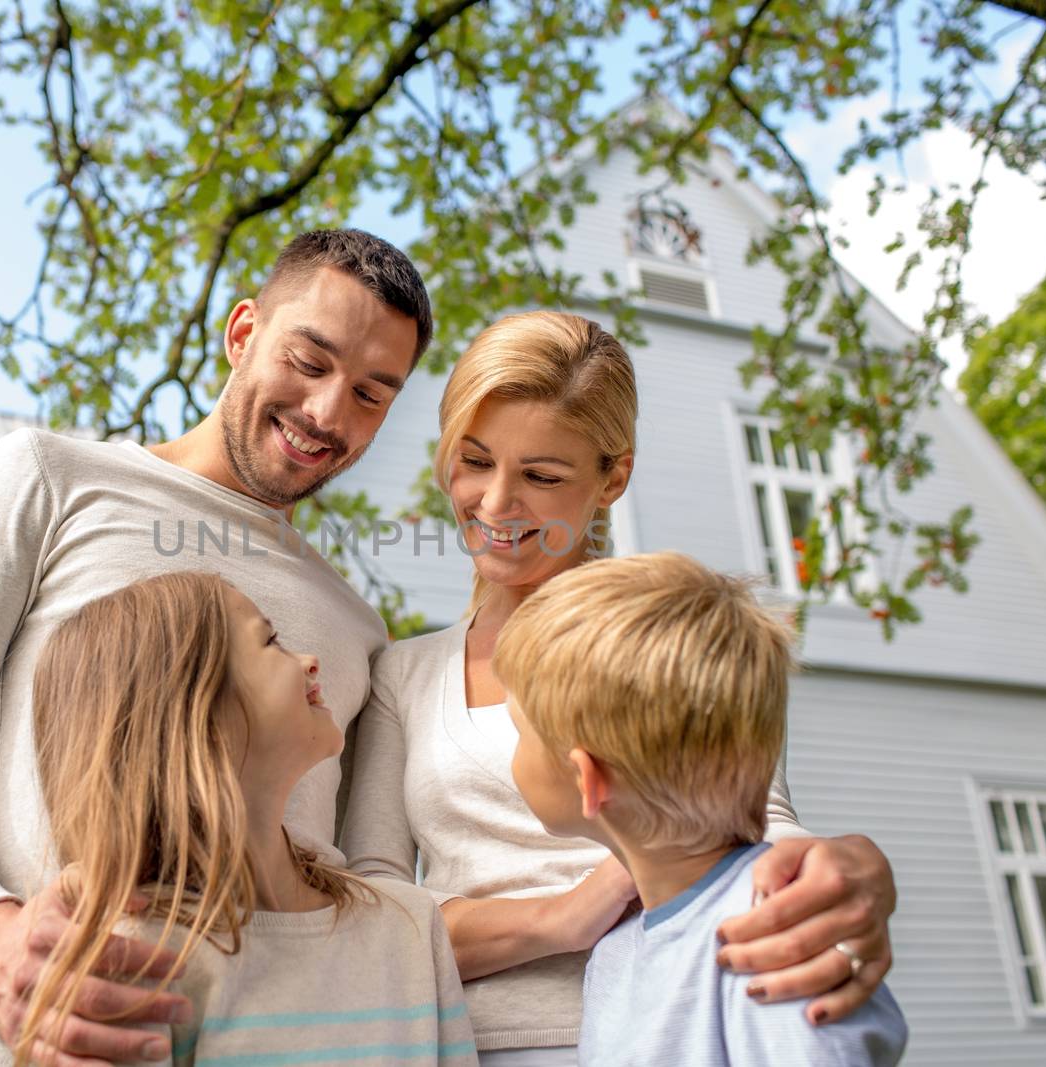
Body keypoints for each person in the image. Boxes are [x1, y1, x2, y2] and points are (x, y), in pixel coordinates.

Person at [0, 229, 433, 1065]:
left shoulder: (356, 624)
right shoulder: (50, 479)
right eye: (309, 361)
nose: (329, 412)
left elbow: (365, 888)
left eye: (372, 394)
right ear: (241, 335)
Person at [341, 311, 898, 1063]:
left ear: (614, 477)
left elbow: (756, 822)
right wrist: (565, 916)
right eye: (475, 461)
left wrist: (849, 867)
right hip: (457, 1044)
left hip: (676, 1025)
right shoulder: (402, 677)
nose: (496, 503)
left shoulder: (659, 639)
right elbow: (372, 920)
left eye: (542, 475)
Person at [17, 571, 476, 1066]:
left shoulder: (411, 927)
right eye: (271, 641)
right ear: (193, 708)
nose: (309, 661)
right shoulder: (128, 957)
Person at [496, 552, 908, 1066]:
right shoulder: (615, 957)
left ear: (588, 779)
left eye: (519, 733)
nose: (514, 753)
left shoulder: (779, 933)